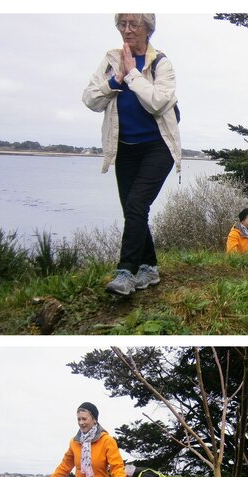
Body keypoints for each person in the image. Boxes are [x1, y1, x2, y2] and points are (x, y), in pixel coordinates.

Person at [82, 13, 182, 296]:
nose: (126, 30)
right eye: (122, 24)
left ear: (148, 28)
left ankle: (126, 272)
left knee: (137, 204)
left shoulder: (162, 62)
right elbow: (90, 99)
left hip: (158, 146)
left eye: (133, 24)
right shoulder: (111, 59)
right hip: (124, 147)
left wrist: (133, 74)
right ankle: (149, 267)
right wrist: (115, 80)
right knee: (133, 210)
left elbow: (157, 102)